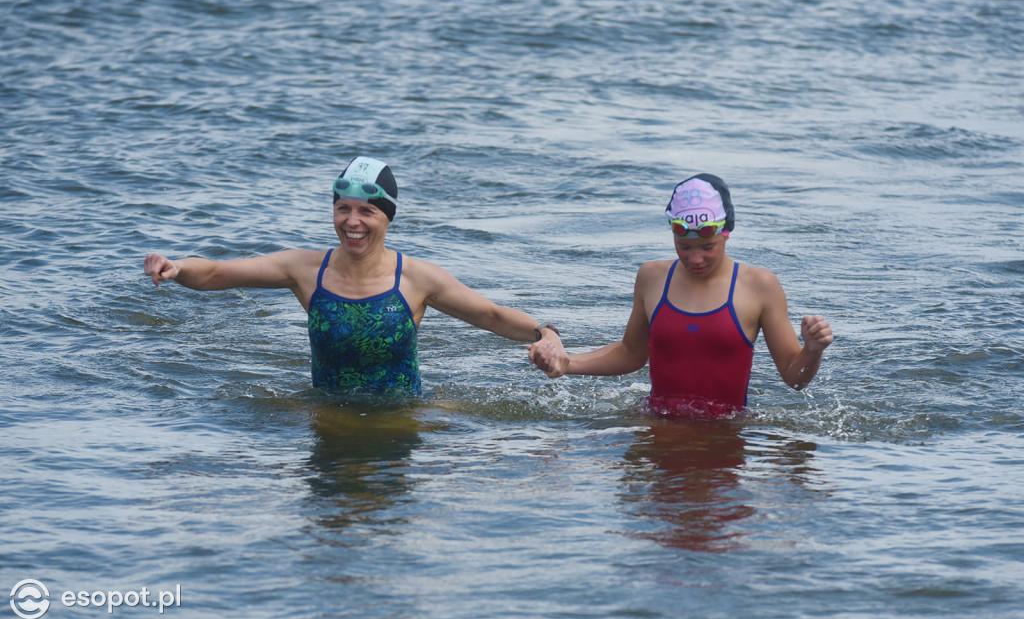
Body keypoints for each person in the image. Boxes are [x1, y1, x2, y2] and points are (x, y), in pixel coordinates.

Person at [144, 156, 567, 395]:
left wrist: (544, 333)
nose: (353, 221)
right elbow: (218, 273)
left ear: (387, 218)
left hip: (401, 423)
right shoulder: (306, 270)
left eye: (367, 211)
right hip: (328, 419)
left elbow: (490, 316)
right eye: (342, 208)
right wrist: (178, 268)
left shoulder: (416, 279)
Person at [528, 173, 833, 418]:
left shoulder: (759, 285)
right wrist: (568, 363)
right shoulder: (652, 277)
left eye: (707, 247)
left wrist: (812, 349)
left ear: (726, 232)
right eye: (684, 247)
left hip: (722, 438)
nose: (695, 259)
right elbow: (631, 353)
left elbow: (795, 378)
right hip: (656, 425)